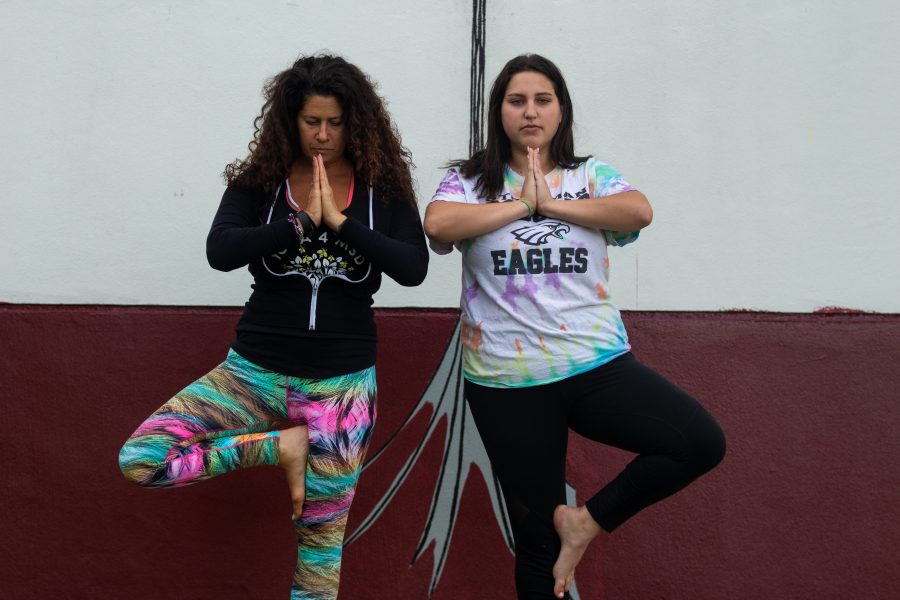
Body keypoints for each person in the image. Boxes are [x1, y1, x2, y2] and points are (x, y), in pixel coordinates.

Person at [118, 54, 428, 599]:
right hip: (252, 374)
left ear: (356, 123)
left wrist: (337, 223)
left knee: (319, 553)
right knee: (142, 459)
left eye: (335, 123)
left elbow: (413, 268)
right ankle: (280, 446)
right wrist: (299, 223)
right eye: (313, 122)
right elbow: (221, 251)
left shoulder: (382, 189)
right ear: (291, 120)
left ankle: (294, 448)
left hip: (341, 390)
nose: (324, 136)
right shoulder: (259, 185)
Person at [424, 54, 725, 600]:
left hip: (596, 367)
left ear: (561, 110)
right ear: (500, 113)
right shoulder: (469, 181)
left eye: (543, 100)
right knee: (536, 546)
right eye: (517, 101)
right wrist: (521, 204)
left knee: (698, 441)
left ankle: (585, 522)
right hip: (506, 383)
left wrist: (557, 207)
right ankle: (560, 535)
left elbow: (638, 212)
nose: (530, 112)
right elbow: (438, 226)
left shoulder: (590, 176)